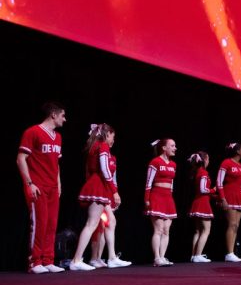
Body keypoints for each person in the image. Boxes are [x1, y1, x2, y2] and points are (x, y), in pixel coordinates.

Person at [69, 123, 131, 270]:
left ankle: (112, 257)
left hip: (99, 186)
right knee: (92, 223)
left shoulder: (96, 146)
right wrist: (114, 191)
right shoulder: (102, 146)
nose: (113, 140)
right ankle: (76, 260)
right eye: (112, 136)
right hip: (97, 186)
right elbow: (104, 169)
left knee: (111, 221)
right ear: (107, 134)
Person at [17, 102, 67, 274]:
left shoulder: (58, 137)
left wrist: (59, 184)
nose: (65, 119)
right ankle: (35, 261)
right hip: (38, 186)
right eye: (63, 115)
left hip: (53, 187)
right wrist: (29, 183)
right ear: (53, 114)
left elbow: (56, 163)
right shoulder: (32, 132)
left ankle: (48, 260)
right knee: (40, 223)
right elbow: (21, 159)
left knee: (52, 224)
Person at [145, 138, 178, 266]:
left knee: (166, 230)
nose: (175, 148)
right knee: (158, 229)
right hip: (156, 196)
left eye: (175, 146)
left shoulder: (173, 164)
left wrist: (171, 198)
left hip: (168, 198)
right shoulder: (155, 162)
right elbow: (148, 182)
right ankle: (157, 258)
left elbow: (172, 184)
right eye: (172, 146)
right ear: (164, 148)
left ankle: (163, 257)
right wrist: (146, 199)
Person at [217, 142, 241, 262]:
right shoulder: (226, 162)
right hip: (229, 195)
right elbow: (219, 182)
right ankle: (229, 253)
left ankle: (232, 252)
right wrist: (222, 198)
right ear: (237, 151)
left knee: (236, 225)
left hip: (239, 197)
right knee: (232, 224)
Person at [188, 152, 215, 263]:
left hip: (198, 202)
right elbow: (203, 189)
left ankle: (194, 255)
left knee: (198, 231)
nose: (209, 161)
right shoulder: (203, 172)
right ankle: (198, 255)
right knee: (206, 230)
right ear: (204, 160)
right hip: (202, 203)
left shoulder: (197, 172)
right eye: (208, 159)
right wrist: (214, 190)